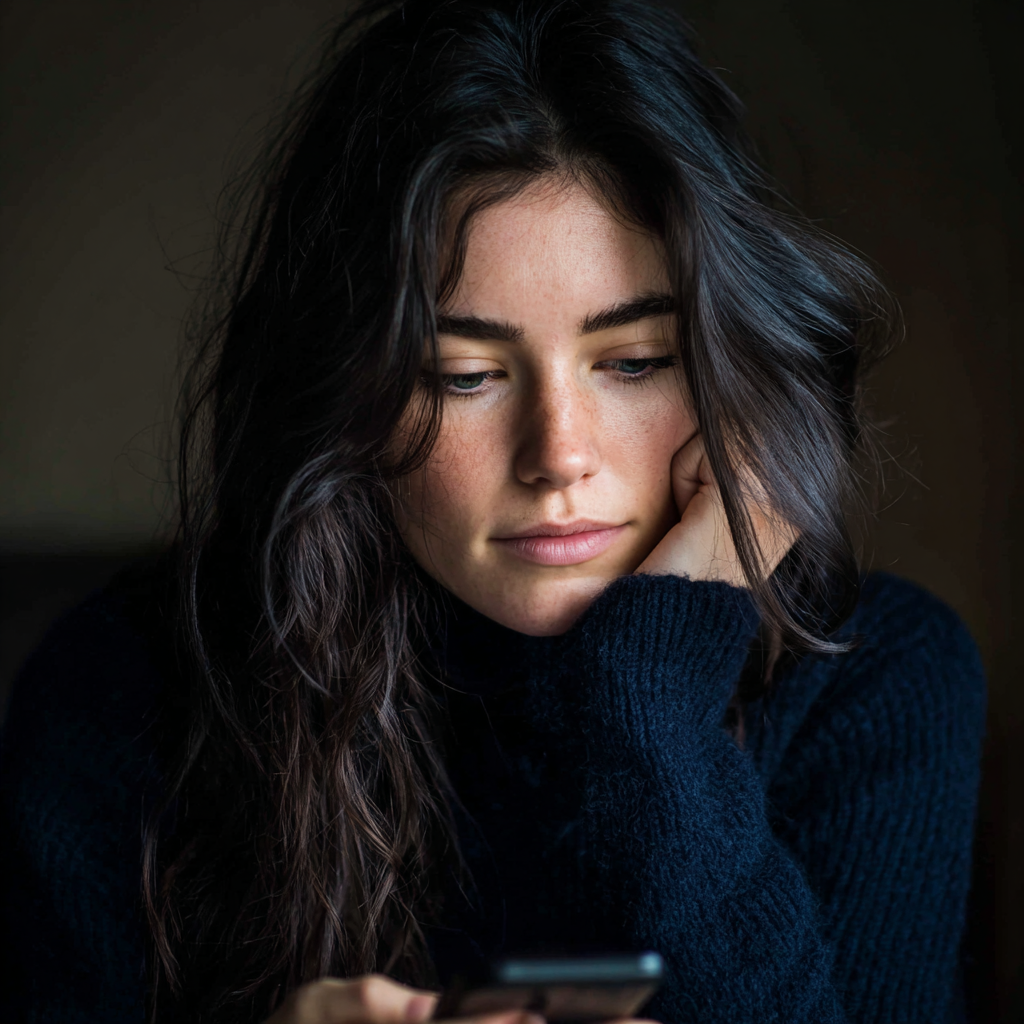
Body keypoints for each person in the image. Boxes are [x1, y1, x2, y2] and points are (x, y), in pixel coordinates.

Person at [0, 1, 986, 1022]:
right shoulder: (118, 695)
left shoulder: (875, 675)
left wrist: (646, 705)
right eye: (463, 374)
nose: (559, 455)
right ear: (348, 400)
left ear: (732, 367)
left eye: (636, 362)